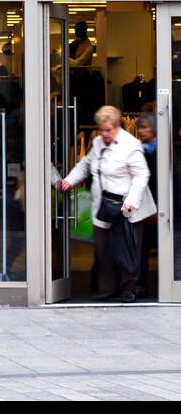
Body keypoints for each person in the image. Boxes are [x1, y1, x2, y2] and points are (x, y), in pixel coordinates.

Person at [58, 104, 155, 302]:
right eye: (102, 130)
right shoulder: (97, 143)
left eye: (108, 130)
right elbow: (85, 164)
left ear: (118, 126)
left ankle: (130, 289)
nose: (104, 134)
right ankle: (107, 287)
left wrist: (131, 202)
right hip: (104, 206)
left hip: (127, 208)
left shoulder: (131, 145)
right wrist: (69, 180)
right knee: (102, 248)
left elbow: (141, 175)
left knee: (128, 248)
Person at [134, 112, 160, 297]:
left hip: (163, 206)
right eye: (139, 128)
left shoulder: (166, 150)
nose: (141, 131)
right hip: (144, 207)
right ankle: (142, 287)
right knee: (142, 250)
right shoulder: (137, 151)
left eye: (145, 127)